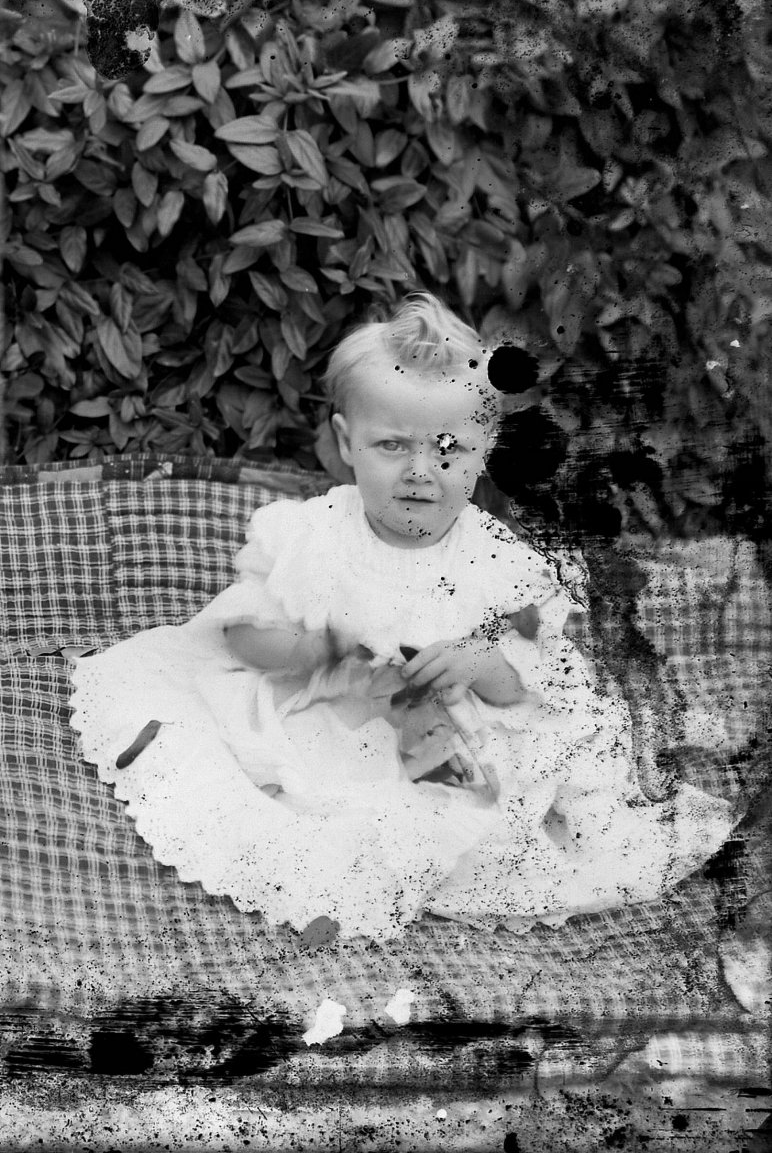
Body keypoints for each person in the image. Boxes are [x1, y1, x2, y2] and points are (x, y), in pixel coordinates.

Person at [70, 293, 734, 940]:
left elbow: (536, 689)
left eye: (448, 448)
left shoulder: (500, 564)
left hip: (452, 745)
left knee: (532, 775)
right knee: (299, 793)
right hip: (337, 727)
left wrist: (479, 662)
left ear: (484, 448)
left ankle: (470, 835)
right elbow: (241, 634)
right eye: (391, 445)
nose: (421, 471)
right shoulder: (311, 537)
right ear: (346, 442)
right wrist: (318, 652)